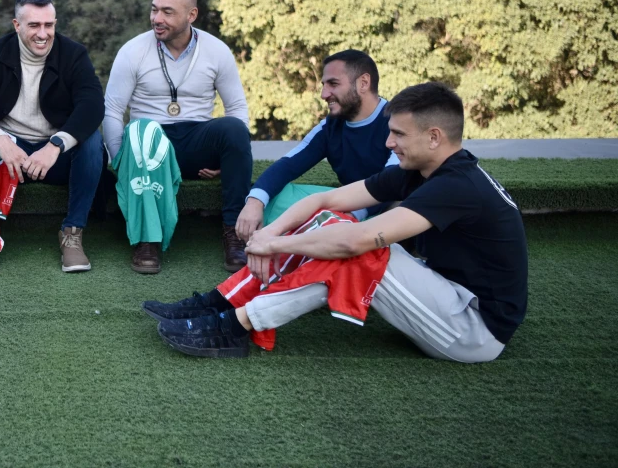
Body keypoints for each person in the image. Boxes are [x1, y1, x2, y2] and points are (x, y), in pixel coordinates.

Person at [148, 82, 529, 364]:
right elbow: (325, 200)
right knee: (332, 219)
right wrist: (267, 233)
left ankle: (235, 326)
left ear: (434, 137)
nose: (388, 144)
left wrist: (275, 245)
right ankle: (222, 302)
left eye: (397, 134)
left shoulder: (457, 185)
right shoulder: (424, 169)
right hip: (444, 296)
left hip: (473, 330)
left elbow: (356, 241)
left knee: (363, 249)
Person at [103, 0, 253, 274]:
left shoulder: (217, 51)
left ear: (191, 15)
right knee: (142, 130)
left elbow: (237, 109)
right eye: (154, 10)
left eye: (168, 12)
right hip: (149, 145)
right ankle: (147, 241)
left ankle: (234, 233)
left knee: (234, 128)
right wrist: (121, 160)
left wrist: (229, 160)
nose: (157, 19)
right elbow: (113, 110)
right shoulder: (133, 51)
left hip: (196, 140)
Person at [0, 0, 105, 274]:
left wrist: (55, 145)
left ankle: (72, 234)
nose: (42, 33)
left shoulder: (74, 54)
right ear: (17, 25)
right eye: (34, 25)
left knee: (92, 140)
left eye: (49, 25)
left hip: (54, 156)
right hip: (9, 155)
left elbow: (93, 105)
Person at [234, 49, 398, 240]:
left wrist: (351, 215)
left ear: (363, 83)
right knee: (274, 195)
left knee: (396, 208)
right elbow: (288, 164)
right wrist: (254, 202)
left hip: (388, 207)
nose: (323, 94)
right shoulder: (329, 127)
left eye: (333, 84)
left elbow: (390, 183)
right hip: (346, 206)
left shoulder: (398, 122)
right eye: (323, 85)